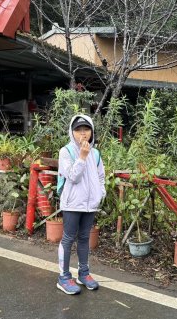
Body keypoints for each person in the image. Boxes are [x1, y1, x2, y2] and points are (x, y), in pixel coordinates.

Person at [56, 114, 106, 295]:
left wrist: (101, 193)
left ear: (92, 132)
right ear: (72, 132)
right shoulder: (66, 151)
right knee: (68, 238)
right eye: (78, 130)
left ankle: (83, 273)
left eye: (86, 129)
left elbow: (101, 177)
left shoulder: (96, 153)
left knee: (84, 237)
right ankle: (63, 277)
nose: (83, 134)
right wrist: (82, 157)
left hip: (90, 204)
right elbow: (73, 177)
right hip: (72, 204)